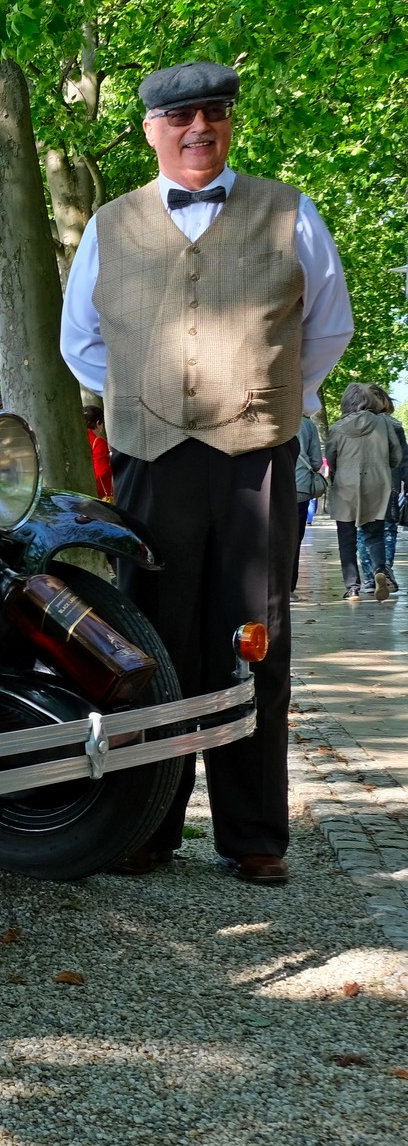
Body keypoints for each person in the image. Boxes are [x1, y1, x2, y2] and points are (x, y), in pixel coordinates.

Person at [59, 60, 354, 886]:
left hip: (254, 460)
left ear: (229, 124)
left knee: (252, 637)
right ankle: (147, 825)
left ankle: (255, 834)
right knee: (150, 642)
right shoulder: (112, 226)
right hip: (150, 462)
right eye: (181, 118)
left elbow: (327, 327)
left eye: (214, 114)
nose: (200, 129)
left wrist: (266, 391)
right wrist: (143, 404)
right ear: (151, 131)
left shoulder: (290, 213)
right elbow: (79, 341)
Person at [327, 384, 400, 602]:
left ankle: (352, 588)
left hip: (346, 485)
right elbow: (395, 455)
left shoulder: (337, 427)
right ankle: (379, 569)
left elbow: (331, 459)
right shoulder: (383, 423)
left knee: (346, 538)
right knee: (374, 534)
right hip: (377, 483)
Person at [364, 388, 406, 592]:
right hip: (389, 484)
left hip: (361, 484)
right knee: (388, 529)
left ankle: (369, 578)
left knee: (363, 530)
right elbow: (404, 459)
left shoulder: (352, 425)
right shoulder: (394, 426)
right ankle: (384, 571)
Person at [292, 412, 325, 593]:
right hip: (300, 486)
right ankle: (289, 587)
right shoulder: (307, 424)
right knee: (294, 539)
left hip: (271, 486)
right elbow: (316, 461)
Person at [82, 404, 114, 499]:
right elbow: (101, 471)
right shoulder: (98, 442)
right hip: (98, 493)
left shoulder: (79, 439)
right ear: (98, 423)